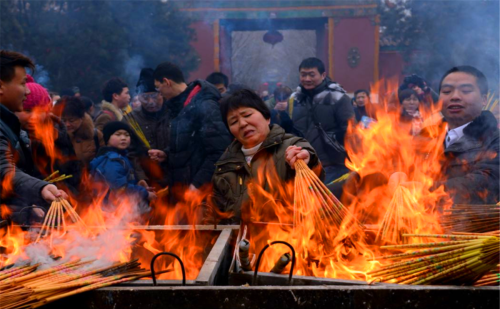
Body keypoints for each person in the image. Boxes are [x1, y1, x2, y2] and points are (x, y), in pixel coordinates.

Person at [212, 89, 323, 223]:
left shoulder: (291, 146)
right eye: (234, 122)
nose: (242, 124)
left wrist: (306, 160)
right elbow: (217, 213)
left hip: (288, 240)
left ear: (267, 117)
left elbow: (313, 170)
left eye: (247, 115)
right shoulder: (225, 166)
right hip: (241, 242)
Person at [0, 50, 67, 225]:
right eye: (23, 83)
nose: (28, 91)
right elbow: (4, 170)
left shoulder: (10, 126)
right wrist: (41, 188)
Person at [152, 61, 232, 189]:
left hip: (200, 195)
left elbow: (219, 151)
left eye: (158, 87)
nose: (159, 93)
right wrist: (167, 153)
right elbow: (192, 143)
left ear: (167, 82)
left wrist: (197, 185)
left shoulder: (205, 104)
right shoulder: (179, 105)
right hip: (183, 190)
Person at [427, 65, 499, 205]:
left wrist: (425, 189)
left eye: (465, 91)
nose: (455, 97)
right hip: (416, 223)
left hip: (467, 225)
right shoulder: (425, 136)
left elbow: (488, 182)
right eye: (447, 91)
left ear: (484, 99)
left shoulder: (494, 141)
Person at [291, 57, 354, 183]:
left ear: (323, 75)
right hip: (303, 164)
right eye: (303, 75)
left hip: (333, 165)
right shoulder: (296, 99)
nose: (307, 79)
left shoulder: (337, 98)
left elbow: (350, 130)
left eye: (311, 75)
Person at [15, 75, 80, 193]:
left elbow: (75, 176)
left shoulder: (60, 137)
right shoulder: (12, 141)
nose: (34, 117)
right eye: (27, 111)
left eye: (39, 111)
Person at [89, 122, 156, 213]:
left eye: (127, 135)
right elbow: (120, 188)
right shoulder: (112, 160)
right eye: (118, 134)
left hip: (120, 209)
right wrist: (144, 193)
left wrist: (137, 184)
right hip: (112, 211)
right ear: (107, 138)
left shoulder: (121, 157)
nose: (123, 138)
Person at [124, 68, 169, 188]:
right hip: (149, 182)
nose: (150, 102)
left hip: (176, 179)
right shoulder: (131, 119)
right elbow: (131, 153)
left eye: (154, 96)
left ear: (162, 93)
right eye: (145, 97)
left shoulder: (174, 113)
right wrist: (141, 178)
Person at [56, 96, 104, 166]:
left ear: (81, 118)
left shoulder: (95, 135)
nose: (67, 124)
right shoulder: (56, 137)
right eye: (63, 120)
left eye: (71, 120)